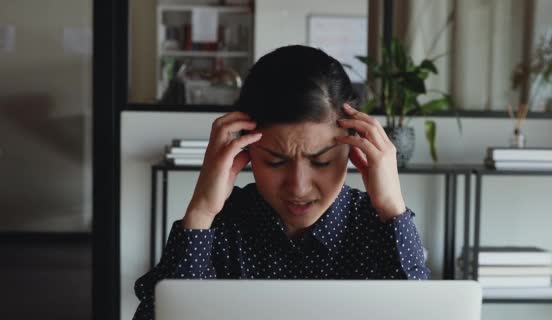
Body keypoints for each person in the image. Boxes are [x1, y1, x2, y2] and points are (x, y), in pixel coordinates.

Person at [132, 45, 430, 320]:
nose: (298, 187)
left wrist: (393, 211)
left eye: (321, 162)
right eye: (275, 162)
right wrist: (200, 212)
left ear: (353, 148)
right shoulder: (219, 227)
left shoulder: (378, 227)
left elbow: (420, 312)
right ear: (245, 151)